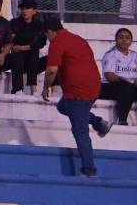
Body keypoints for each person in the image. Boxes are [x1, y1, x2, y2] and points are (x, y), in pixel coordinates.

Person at [41, 17, 112, 177]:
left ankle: (89, 169)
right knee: (63, 106)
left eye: (46, 35)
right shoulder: (77, 39)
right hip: (93, 86)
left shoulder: (57, 43)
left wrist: (45, 87)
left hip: (77, 91)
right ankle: (98, 122)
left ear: (50, 32)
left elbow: (52, 70)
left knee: (80, 131)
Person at [99, 28, 137, 127]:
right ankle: (122, 120)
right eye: (121, 37)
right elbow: (110, 76)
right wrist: (132, 82)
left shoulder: (136, 56)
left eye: (127, 38)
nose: (124, 40)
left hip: (132, 88)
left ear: (131, 41)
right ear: (116, 40)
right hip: (113, 87)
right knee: (126, 87)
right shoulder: (110, 55)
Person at [5, 0, 47, 95]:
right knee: (18, 55)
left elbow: (40, 43)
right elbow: (10, 40)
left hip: (33, 60)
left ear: (34, 11)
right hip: (18, 60)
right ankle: (18, 89)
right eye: (22, 8)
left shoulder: (39, 25)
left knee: (35, 54)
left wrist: (22, 46)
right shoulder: (14, 23)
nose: (24, 11)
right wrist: (28, 44)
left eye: (27, 8)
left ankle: (35, 89)